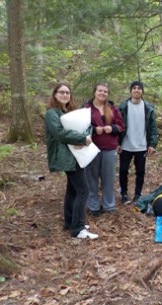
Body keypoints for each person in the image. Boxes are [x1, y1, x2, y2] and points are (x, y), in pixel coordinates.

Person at [44, 83, 98, 239]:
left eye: (67, 92)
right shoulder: (51, 113)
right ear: (55, 94)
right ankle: (78, 229)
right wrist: (82, 139)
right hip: (66, 157)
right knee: (83, 190)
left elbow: (85, 126)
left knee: (73, 190)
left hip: (75, 155)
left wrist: (86, 138)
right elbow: (59, 133)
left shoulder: (67, 111)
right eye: (61, 92)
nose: (65, 95)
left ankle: (70, 222)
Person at [84, 83, 124, 216]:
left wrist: (111, 128)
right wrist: (94, 130)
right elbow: (81, 126)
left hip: (109, 148)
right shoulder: (86, 108)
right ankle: (94, 206)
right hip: (91, 148)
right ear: (94, 92)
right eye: (100, 91)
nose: (103, 93)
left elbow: (120, 126)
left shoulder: (112, 108)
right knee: (91, 178)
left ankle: (109, 205)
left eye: (105, 91)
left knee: (108, 178)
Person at [118, 81, 159, 205]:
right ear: (131, 91)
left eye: (139, 88)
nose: (136, 90)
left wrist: (152, 144)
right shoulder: (123, 107)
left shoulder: (148, 108)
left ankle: (137, 194)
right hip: (125, 145)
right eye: (134, 88)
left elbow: (153, 128)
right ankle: (124, 194)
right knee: (123, 170)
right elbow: (118, 126)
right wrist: (117, 143)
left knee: (140, 172)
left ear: (142, 91)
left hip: (142, 145)